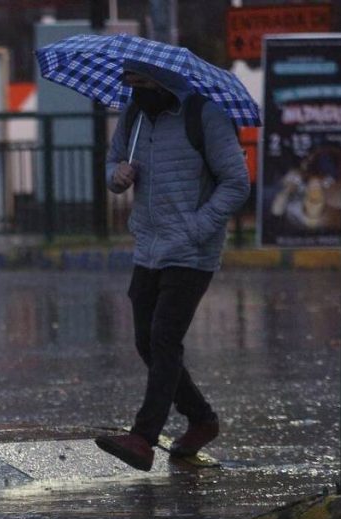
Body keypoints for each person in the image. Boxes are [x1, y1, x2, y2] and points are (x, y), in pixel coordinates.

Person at [94, 61, 250, 471]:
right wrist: (118, 177)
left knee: (164, 336)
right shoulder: (134, 115)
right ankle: (201, 419)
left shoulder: (205, 116)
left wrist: (198, 227)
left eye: (142, 82)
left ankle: (143, 437)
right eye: (129, 83)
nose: (135, 91)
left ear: (163, 81)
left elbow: (237, 181)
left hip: (192, 250)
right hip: (148, 245)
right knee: (146, 340)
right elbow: (112, 163)